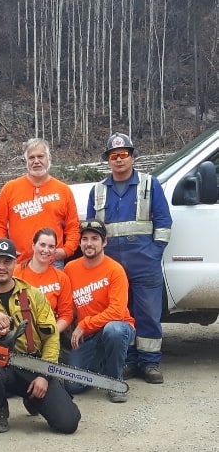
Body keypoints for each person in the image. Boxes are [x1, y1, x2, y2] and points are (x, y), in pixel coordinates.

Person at [0, 238, 80, 434]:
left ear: (15, 263)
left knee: (68, 423)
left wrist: (44, 374)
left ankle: (33, 398)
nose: (2, 267)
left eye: (7, 261)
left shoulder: (33, 294)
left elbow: (51, 336)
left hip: (33, 364)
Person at [86, 132, 172, 384]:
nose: (119, 160)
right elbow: (92, 230)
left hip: (144, 263)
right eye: (114, 156)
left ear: (133, 157)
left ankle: (150, 364)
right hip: (111, 267)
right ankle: (128, 360)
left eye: (123, 154)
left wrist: (154, 253)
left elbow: (164, 223)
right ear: (108, 160)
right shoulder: (98, 190)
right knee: (120, 313)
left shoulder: (149, 184)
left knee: (147, 313)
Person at [64, 219, 136, 403]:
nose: (89, 243)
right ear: (79, 243)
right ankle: (101, 365)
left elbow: (118, 311)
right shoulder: (70, 269)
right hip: (87, 336)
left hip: (117, 328)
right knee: (73, 386)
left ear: (104, 242)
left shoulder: (115, 270)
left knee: (114, 331)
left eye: (95, 238)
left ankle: (115, 381)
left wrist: (85, 324)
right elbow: (66, 305)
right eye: (85, 239)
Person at [0, 138, 80, 264]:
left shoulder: (63, 190)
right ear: (26, 161)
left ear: (48, 158)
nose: (36, 161)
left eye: (40, 156)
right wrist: (6, 248)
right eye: (31, 157)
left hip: (53, 262)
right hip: (20, 261)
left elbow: (73, 227)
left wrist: (67, 250)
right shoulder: (10, 188)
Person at [13, 228, 74, 361]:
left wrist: (51, 334)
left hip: (49, 333)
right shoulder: (16, 273)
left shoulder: (61, 277)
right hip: (20, 335)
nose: (46, 250)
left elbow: (66, 314)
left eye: (51, 247)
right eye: (42, 245)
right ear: (33, 245)